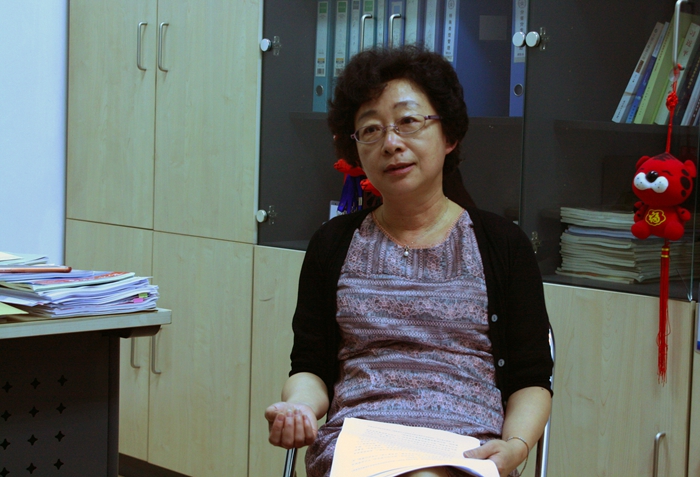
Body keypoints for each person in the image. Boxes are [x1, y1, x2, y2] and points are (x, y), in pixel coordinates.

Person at [265, 45, 553, 477]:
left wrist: (515, 446)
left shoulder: (502, 245)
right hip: (358, 447)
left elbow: (531, 379)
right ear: (355, 149)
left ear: (449, 135)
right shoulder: (332, 244)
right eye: (371, 129)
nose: (391, 143)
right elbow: (310, 367)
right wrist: (300, 407)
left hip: (466, 449)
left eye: (408, 122)